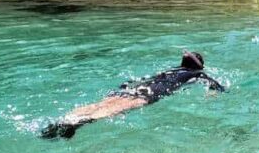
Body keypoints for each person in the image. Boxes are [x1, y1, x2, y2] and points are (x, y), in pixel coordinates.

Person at [41, 51, 224, 139]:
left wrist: (124, 87)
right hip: (150, 94)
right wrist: (213, 94)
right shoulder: (196, 74)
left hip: (134, 87)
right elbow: (215, 85)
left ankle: (67, 118)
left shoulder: (170, 69)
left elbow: (141, 78)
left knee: (101, 103)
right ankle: (77, 123)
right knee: (118, 109)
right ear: (200, 66)